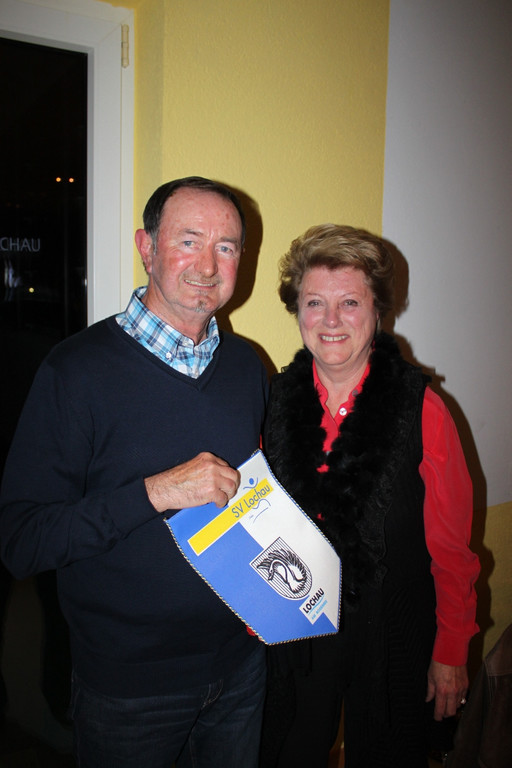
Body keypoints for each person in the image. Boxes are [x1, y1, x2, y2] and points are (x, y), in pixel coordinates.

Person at [0, 176, 268, 768]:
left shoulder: (248, 367)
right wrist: (154, 492)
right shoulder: (74, 372)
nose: (208, 265)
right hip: (129, 689)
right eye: (189, 240)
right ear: (146, 248)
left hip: (241, 668)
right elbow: (22, 541)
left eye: (225, 247)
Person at [259, 224, 480, 768]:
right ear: (297, 311)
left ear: (378, 311)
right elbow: (257, 522)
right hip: (297, 627)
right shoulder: (273, 404)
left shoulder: (423, 410)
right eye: (315, 302)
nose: (331, 320)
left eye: (350, 303)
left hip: (394, 632)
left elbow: (452, 550)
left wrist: (451, 650)